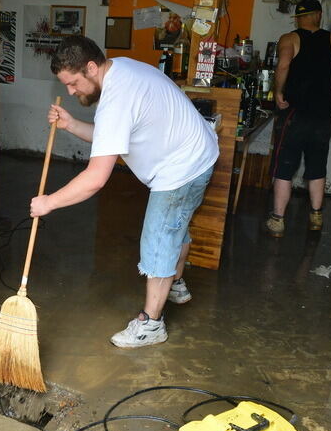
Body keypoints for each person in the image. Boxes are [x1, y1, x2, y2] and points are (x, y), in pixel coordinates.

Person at [30, 36, 218, 348]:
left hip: (182, 167)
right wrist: (72, 125)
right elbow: (112, 139)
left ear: (91, 67)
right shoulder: (121, 68)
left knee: (159, 240)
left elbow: (95, 178)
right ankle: (176, 283)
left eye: (74, 83)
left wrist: (49, 202)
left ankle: (151, 325)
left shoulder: (116, 99)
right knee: (177, 226)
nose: (71, 92)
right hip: (199, 153)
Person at [267, 0, 331, 237]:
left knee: (285, 167)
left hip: (295, 114)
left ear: (297, 18)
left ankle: (278, 220)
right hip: (323, 116)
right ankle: (316, 216)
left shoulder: (290, 38)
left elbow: (284, 65)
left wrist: (278, 92)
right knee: (317, 165)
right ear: (318, 15)